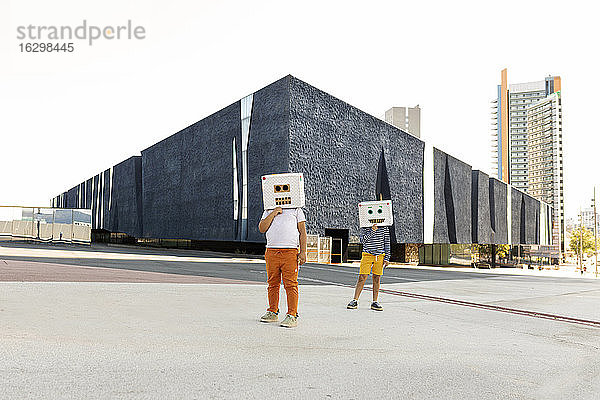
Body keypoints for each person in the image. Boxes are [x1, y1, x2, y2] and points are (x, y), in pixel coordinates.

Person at [258, 206, 307, 328]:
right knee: (272, 283)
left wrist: (303, 252)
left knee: (290, 284)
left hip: (290, 252)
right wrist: (274, 213)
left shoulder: (296, 210)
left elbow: (302, 232)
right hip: (271, 251)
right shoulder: (268, 210)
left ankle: (292, 314)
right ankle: (272, 311)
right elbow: (262, 228)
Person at [347, 223, 390, 311]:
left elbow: (387, 242)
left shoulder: (384, 227)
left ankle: (375, 301)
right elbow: (362, 240)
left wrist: (387, 257)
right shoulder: (365, 226)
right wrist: (372, 231)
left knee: (377, 278)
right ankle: (355, 300)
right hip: (367, 255)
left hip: (380, 255)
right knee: (362, 276)